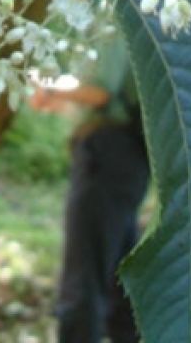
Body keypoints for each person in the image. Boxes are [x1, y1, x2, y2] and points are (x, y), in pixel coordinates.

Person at [31, 32, 149, 343]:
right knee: (119, 279)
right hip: (128, 156)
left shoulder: (111, 8)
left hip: (108, 152)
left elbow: (101, 91)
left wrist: (46, 85)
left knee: (84, 280)